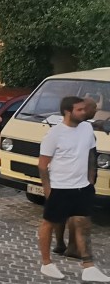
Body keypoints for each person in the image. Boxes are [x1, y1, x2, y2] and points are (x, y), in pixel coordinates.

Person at [38, 95, 109, 282]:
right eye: (80, 110)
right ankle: (46, 264)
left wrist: (90, 179)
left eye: (84, 109)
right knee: (49, 224)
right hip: (60, 187)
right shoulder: (54, 134)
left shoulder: (86, 128)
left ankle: (89, 267)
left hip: (82, 187)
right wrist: (48, 190)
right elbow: (43, 165)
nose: (84, 112)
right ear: (68, 112)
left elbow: (91, 154)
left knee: (83, 223)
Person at [54, 96, 99, 256]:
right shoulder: (83, 129)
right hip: (77, 178)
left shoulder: (70, 126)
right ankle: (74, 247)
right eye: (93, 108)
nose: (95, 111)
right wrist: (90, 179)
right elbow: (91, 158)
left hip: (63, 177)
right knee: (77, 213)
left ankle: (61, 244)